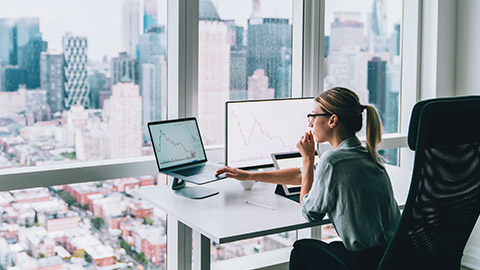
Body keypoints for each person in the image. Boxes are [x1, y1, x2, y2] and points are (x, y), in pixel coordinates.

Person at [216, 87, 401, 270]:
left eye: (313, 116)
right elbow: (303, 175)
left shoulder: (332, 161)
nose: (310, 123)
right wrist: (248, 175)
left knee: (301, 249)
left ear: (332, 120)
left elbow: (309, 213)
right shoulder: (367, 155)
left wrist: (307, 158)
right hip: (390, 256)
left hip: (363, 262)